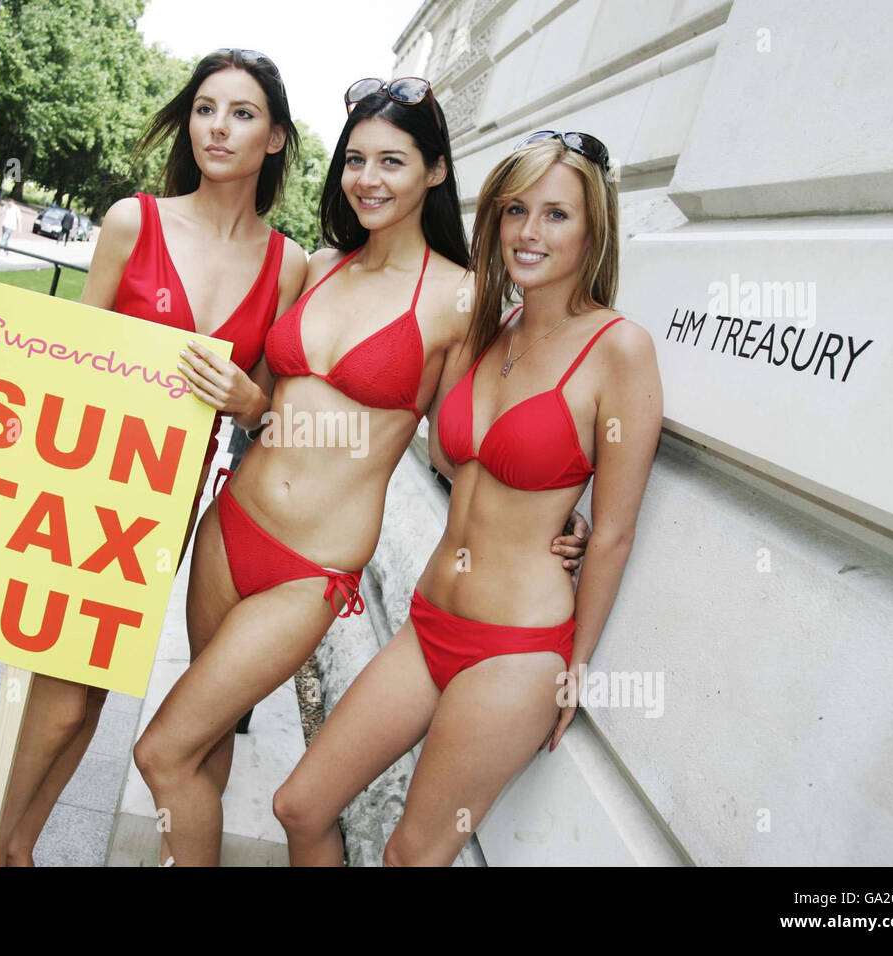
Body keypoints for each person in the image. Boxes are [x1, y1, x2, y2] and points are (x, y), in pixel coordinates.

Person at [130, 80, 590, 866]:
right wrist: (248, 401)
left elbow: (466, 435)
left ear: (436, 172)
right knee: (203, 747)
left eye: (392, 162)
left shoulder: (462, 295)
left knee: (161, 751)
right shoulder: (319, 266)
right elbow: (270, 408)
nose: (368, 179)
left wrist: (548, 509)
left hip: (309, 569)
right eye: (355, 160)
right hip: (229, 527)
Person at [273, 131, 662, 866]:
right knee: (301, 806)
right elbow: (460, 461)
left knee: (410, 857)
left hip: (513, 653)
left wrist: (573, 668)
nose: (528, 232)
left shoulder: (620, 348)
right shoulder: (490, 326)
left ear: (594, 229)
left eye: (556, 215)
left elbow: (612, 533)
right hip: (428, 622)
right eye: (514, 210)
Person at [0, 48, 310, 868]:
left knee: (85, 698)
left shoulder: (289, 266)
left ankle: (17, 848)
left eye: (242, 113)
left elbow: (271, 411)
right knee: (61, 702)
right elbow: (61, 360)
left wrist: (251, 402)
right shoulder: (135, 221)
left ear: (275, 138)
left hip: (164, 505)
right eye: (205, 107)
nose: (217, 127)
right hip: (79, 485)